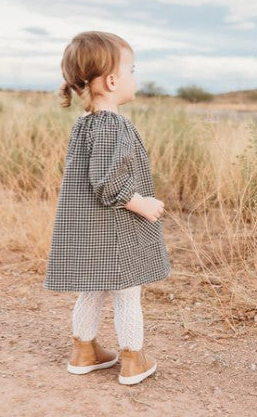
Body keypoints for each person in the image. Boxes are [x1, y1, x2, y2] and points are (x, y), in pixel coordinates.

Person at [43, 31, 171, 385]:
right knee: (128, 292)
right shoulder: (114, 125)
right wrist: (140, 203)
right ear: (113, 80)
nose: (134, 77)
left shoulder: (85, 124)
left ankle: (84, 351)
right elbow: (106, 180)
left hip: (91, 228)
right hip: (115, 227)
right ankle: (133, 359)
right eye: (132, 69)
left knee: (92, 288)